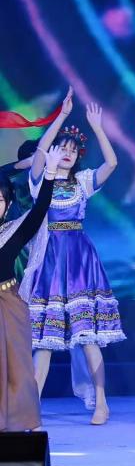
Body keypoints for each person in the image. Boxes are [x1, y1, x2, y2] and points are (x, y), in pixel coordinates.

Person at [26, 93, 124, 426]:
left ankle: (101, 402)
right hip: (50, 261)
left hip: (80, 261)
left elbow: (112, 164)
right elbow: (41, 153)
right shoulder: (40, 181)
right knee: (44, 341)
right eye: (62, 148)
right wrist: (61, 117)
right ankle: (31, 407)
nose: (67, 153)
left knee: (87, 336)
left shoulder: (82, 182)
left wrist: (97, 128)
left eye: (73, 149)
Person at [0, 144, 61, 431]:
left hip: (8, 304)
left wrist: (50, 173)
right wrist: (18, 165)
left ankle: (21, 420)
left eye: (0, 200)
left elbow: (39, 210)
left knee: (17, 366)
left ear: (8, 204)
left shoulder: (13, 231)